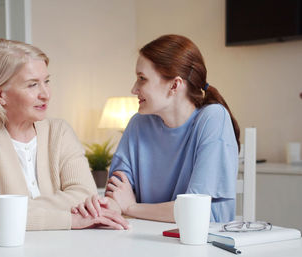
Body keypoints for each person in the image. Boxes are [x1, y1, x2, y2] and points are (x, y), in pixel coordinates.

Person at [0, 39, 128, 231]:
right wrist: (69, 219)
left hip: (61, 249)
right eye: (32, 85)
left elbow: (85, 194)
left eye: (46, 81)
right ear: (0, 95)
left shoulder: (59, 132)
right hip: (1, 256)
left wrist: (8, 212)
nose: (46, 94)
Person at [74, 34, 239, 223]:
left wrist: (131, 207)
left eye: (142, 78)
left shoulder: (212, 119)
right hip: (145, 242)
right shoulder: (138, 124)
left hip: (202, 246)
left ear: (175, 85)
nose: (134, 89)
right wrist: (101, 207)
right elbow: (116, 197)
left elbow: (199, 213)